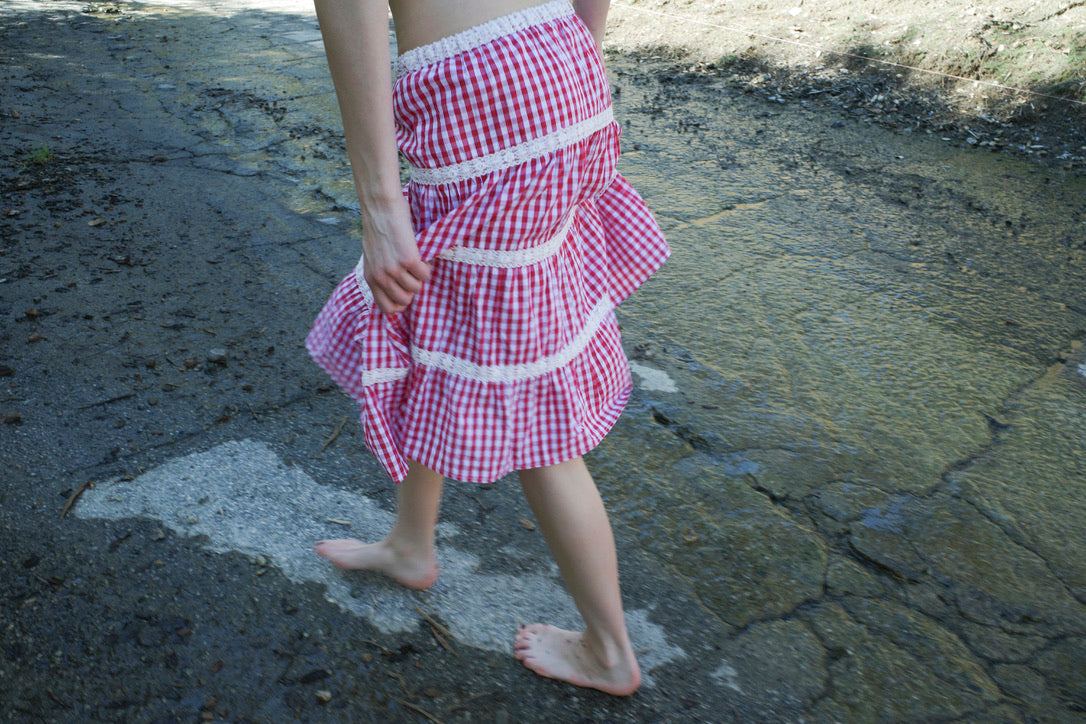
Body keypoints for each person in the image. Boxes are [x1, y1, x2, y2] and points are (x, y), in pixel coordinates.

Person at [305, 0, 669, 696]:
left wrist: (380, 207)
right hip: (558, 56)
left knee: (519, 385)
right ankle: (412, 543)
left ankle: (609, 650)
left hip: (478, 86)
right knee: (440, 321)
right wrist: (577, 49)